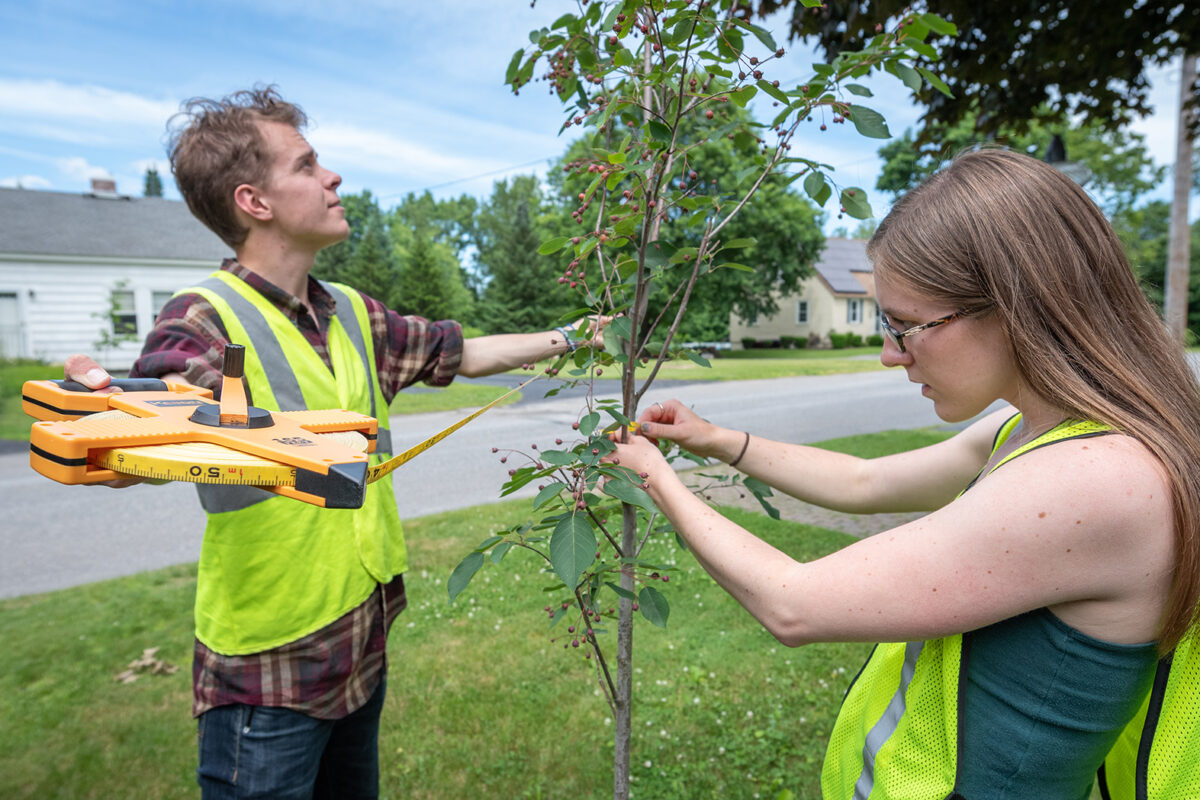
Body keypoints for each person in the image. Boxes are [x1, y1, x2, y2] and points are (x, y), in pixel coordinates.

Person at [609, 148, 1200, 799]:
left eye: (907, 326)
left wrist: (654, 477)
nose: (891, 354)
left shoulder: (1099, 482)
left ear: (1014, 307)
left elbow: (791, 604)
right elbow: (867, 482)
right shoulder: (1044, 434)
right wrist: (717, 440)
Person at [65, 86, 597, 799]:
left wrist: (577, 337)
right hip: (267, 672)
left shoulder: (350, 312)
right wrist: (110, 417)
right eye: (308, 164)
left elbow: (457, 351)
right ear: (254, 201)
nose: (332, 176)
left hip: (360, 646)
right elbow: (157, 424)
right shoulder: (204, 318)